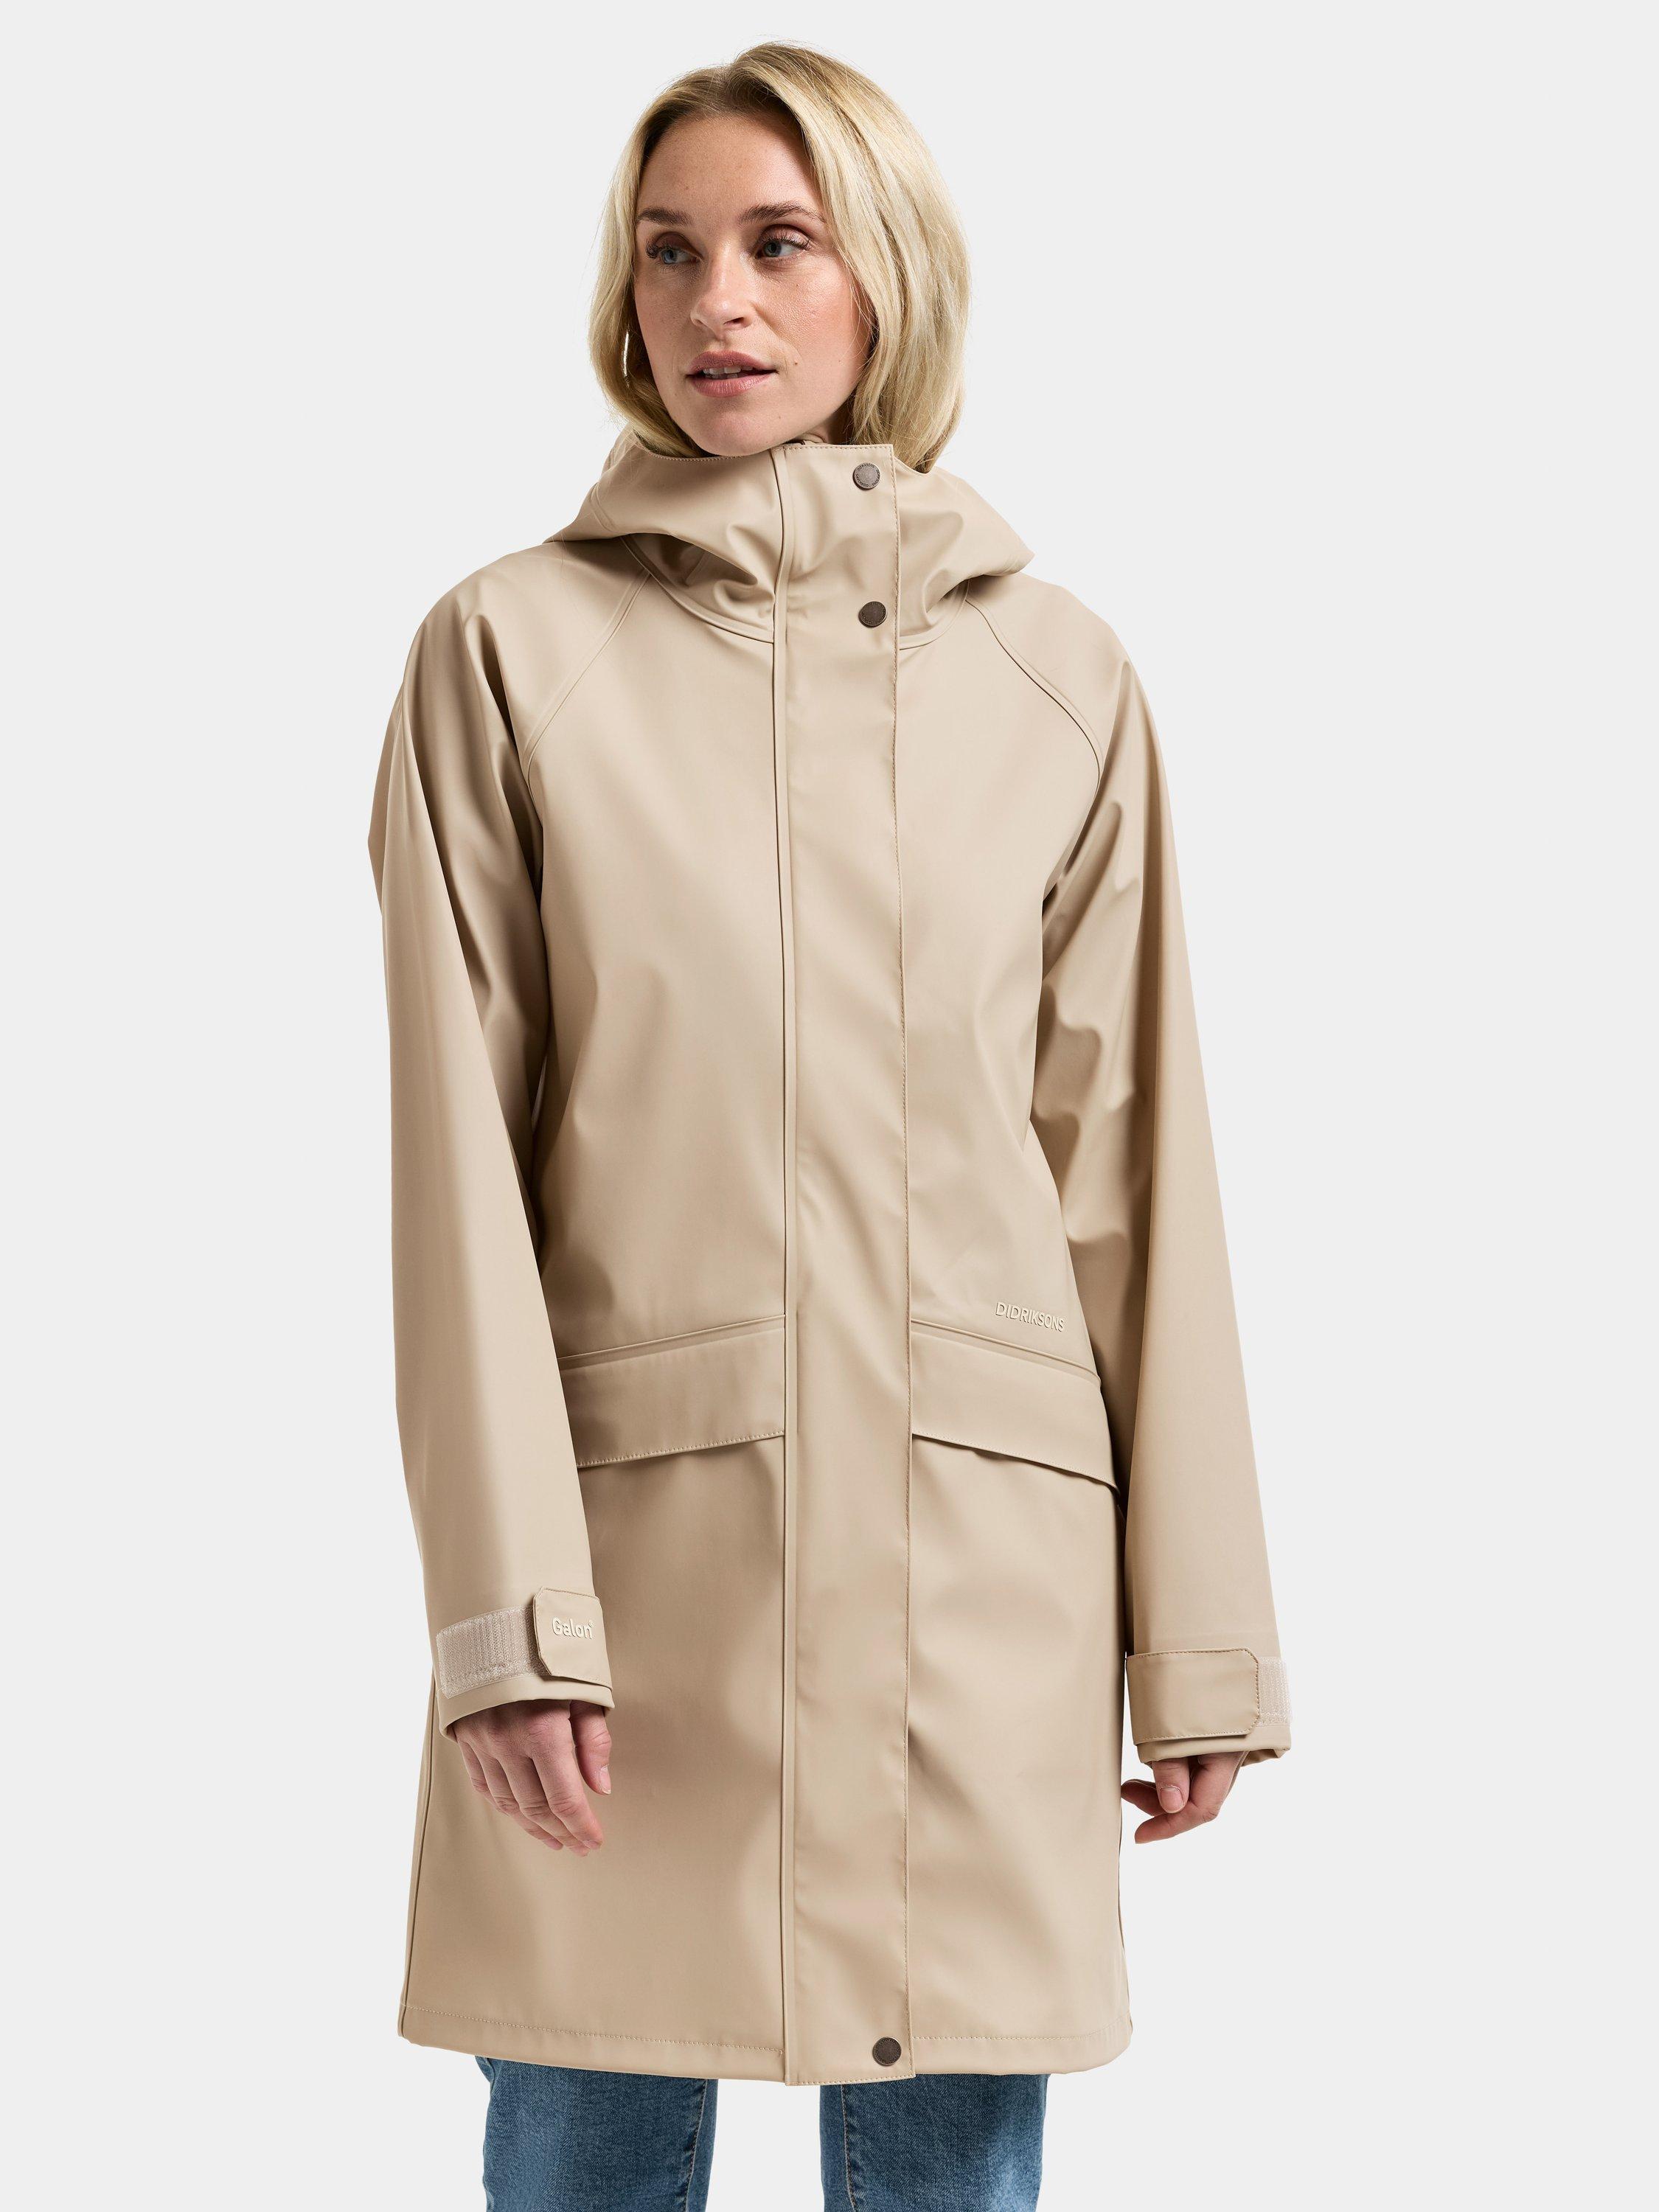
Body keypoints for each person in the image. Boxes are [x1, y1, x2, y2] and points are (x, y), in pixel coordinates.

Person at [368, 39, 1291, 2212]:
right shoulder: (507, 651)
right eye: (669, 251)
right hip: (635, 1593)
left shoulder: (1059, 678)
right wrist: (510, 1619)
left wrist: (1199, 1628)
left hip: (981, 1586)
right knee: (587, 2146)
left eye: (781, 244)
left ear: (889, 274)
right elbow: (455, 1181)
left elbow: (1134, 1179)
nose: (720, 303)